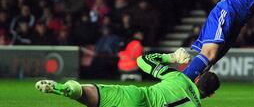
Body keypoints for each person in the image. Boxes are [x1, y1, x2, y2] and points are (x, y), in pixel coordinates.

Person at [36, 48, 220, 107]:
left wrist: (170, 58)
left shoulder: (178, 77)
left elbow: (143, 60)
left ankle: (69, 89)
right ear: (210, 95)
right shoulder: (195, 105)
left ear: (196, 79)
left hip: (137, 96)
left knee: (90, 92)